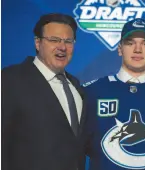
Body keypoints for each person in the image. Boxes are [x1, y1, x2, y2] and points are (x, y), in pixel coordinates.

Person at [83, 18, 145, 170]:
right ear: (120, 48)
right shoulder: (91, 92)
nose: (138, 49)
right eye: (130, 43)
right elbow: (77, 148)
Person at [2, 13, 88, 170]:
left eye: (68, 41)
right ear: (37, 43)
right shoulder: (9, 80)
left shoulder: (76, 86)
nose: (62, 47)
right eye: (54, 40)